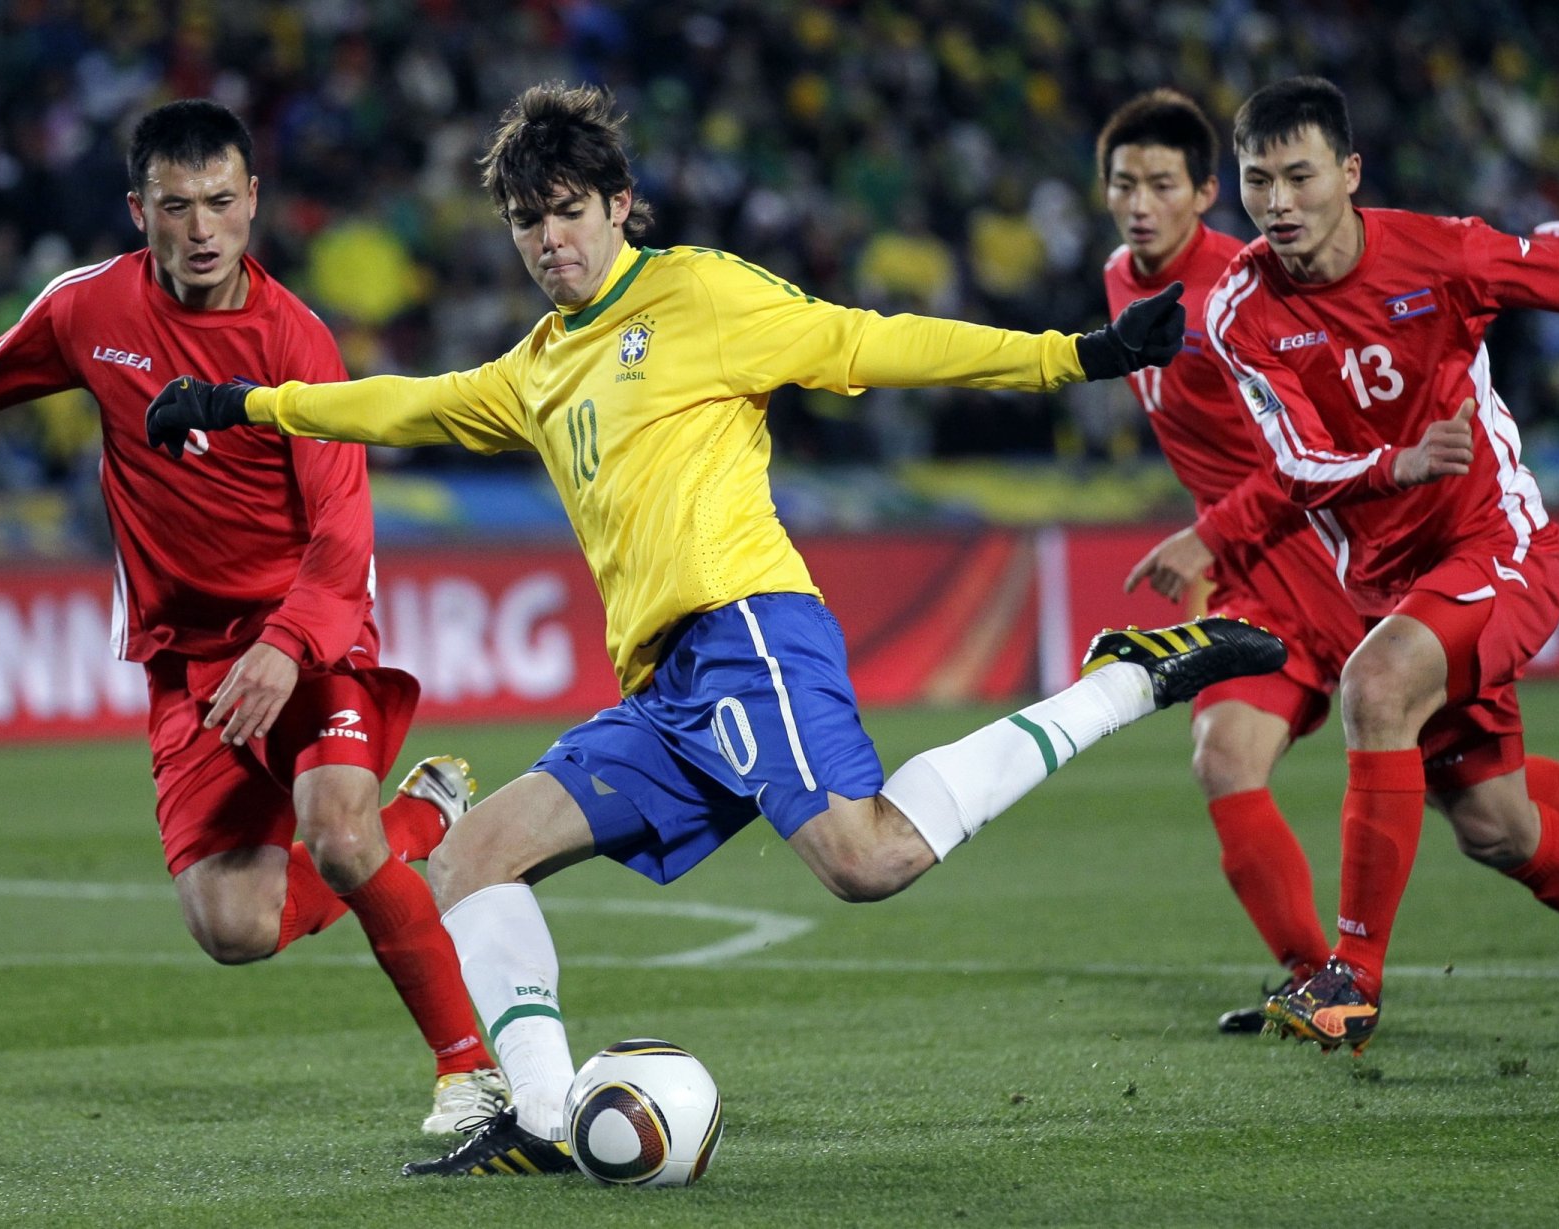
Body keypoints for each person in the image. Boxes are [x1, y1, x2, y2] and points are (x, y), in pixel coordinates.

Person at [146, 82, 1286, 1176]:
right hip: (663, 690)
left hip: (747, 630)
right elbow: (401, 401)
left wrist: (1073, 354)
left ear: (619, 204)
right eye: (528, 222)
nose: (552, 242)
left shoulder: (698, 296)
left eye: (570, 214)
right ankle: (543, 1117)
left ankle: (1126, 680)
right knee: (470, 854)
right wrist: (241, 401)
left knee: (868, 856)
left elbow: (871, 340)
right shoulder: (536, 369)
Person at [0, 99, 509, 1130]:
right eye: (178, 206)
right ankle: (423, 817)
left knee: (339, 838)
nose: (203, 227)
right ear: (140, 210)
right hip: (186, 658)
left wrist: (286, 643)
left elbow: (345, 539)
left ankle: (469, 1076)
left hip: (309, 636)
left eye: (222, 201)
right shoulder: (91, 310)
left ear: (254, 200)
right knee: (234, 926)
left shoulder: (296, 339)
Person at [1098, 90, 1559, 1033]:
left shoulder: (1441, 254)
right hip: (1385, 577)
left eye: (1300, 177)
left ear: (1349, 176)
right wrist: (1394, 462)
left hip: (1494, 541)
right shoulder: (1240, 309)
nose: (1278, 203)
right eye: (1260, 181)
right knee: (1494, 823)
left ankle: (1346, 975)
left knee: (1376, 684)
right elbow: (1298, 460)